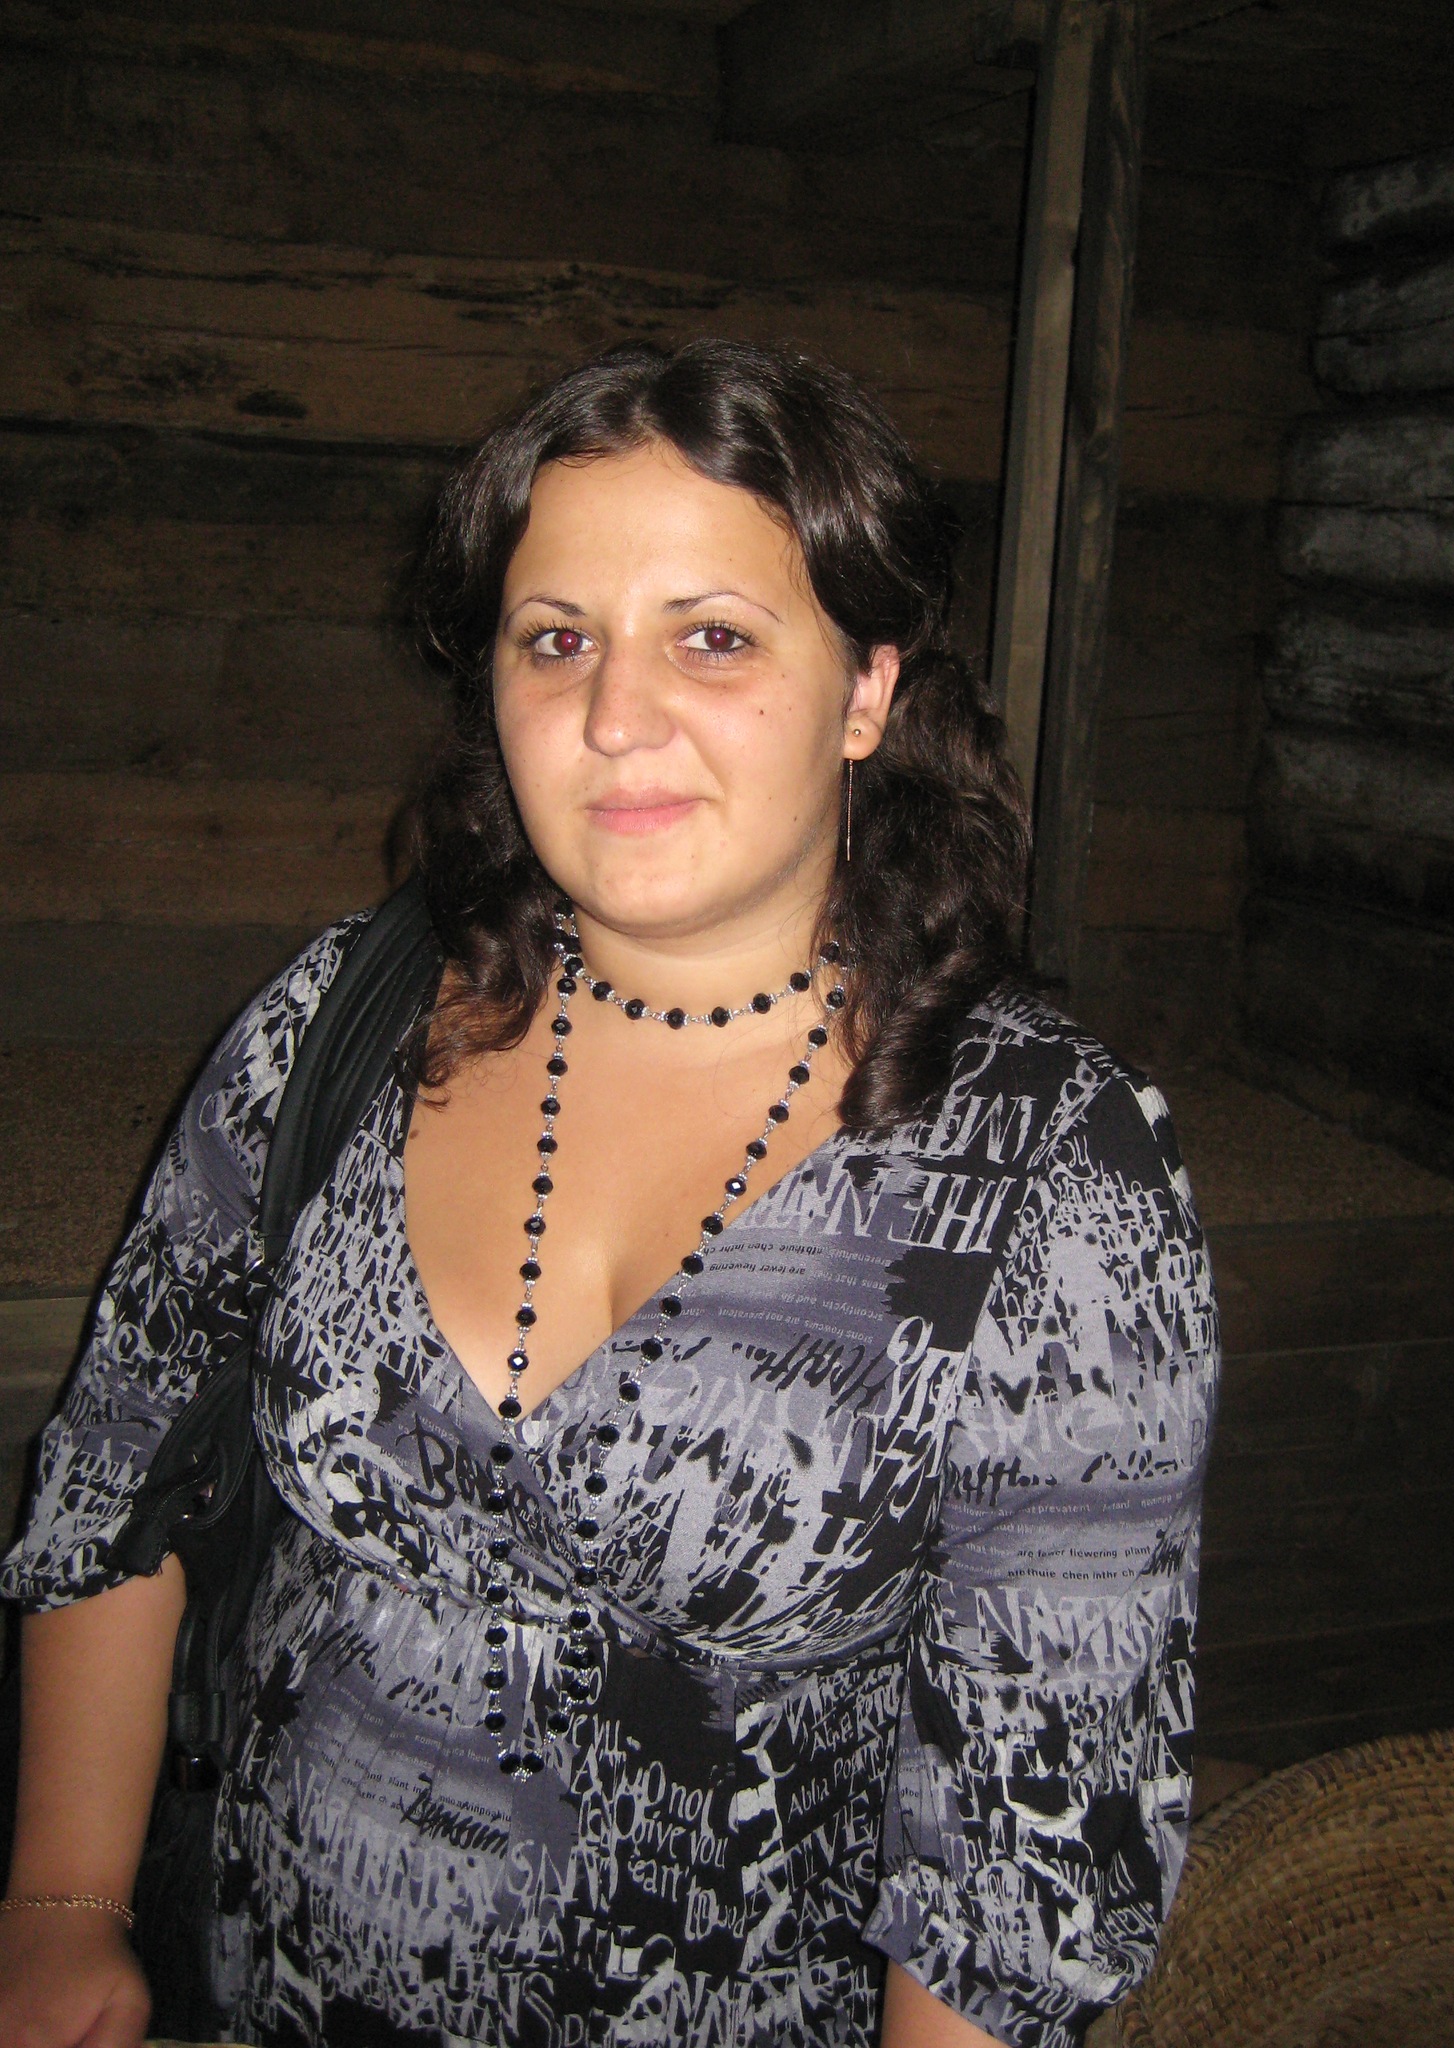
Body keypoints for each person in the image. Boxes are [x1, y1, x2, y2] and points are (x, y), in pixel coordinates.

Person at [0, 340, 1219, 2048]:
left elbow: (1027, 1858)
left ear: (866, 691)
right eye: (556, 638)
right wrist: (61, 1907)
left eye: (712, 637)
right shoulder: (338, 1020)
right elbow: (120, 1464)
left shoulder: (1052, 1170)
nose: (614, 717)